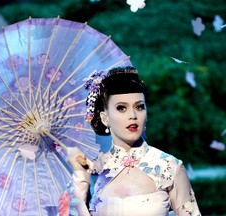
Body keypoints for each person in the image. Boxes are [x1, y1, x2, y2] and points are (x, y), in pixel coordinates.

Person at [58, 66, 201, 216]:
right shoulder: (94, 169)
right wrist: (80, 177)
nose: (133, 115)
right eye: (121, 108)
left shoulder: (169, 166)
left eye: (139, 107)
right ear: (104, 118)